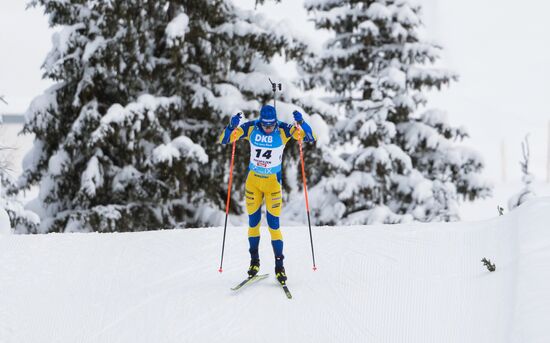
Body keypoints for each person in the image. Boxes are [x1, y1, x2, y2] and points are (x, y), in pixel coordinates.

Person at [219, 104, 316, 285]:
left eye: (271, 125)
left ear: (275, 122)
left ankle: (280, 267)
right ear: (261, 122)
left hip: (273, 186)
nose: (269, 129)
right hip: (253, 183)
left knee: (273, 226)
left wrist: (301, 122)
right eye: (265, 125)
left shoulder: (284, 130)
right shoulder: (251, 128)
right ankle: (254, 263)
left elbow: (310, 137)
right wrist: (232, 127)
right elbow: (225, 140)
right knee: (253, 224)